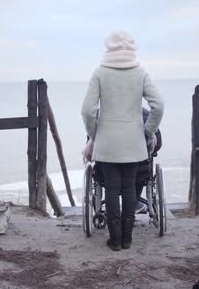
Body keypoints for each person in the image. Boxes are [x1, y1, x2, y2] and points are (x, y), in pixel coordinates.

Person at [81, 31, 164, 251]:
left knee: (110, 187)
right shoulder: (141, 74)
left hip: (107, 143)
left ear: (108, 49)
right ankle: (127, 238)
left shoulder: (99, 73)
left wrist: (95, 135)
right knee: (129, 188)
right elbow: (159, 106)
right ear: (131, 49)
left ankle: (114, 239)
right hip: (133, 143)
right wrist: (147, 133)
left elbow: (87, 112)